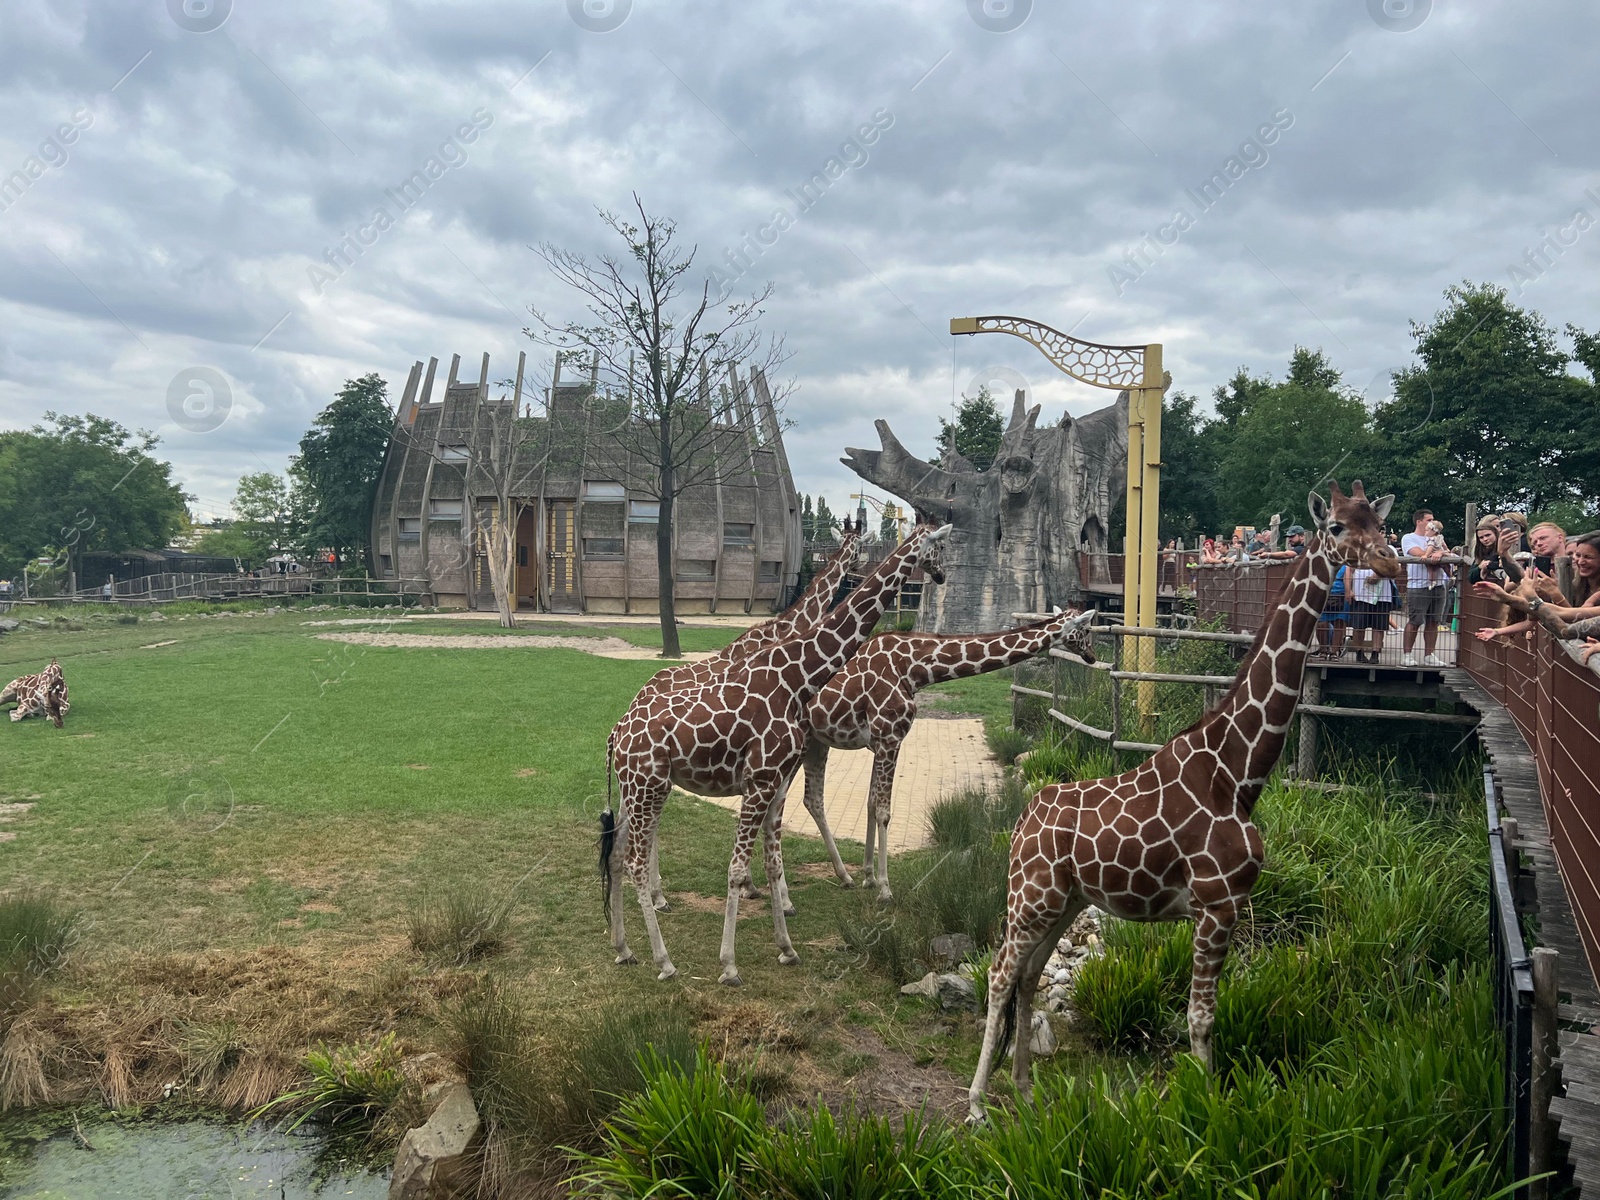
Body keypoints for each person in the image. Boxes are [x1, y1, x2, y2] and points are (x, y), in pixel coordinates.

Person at [1475, 533, 1600, 641]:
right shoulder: (1578, 582)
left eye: (1588, 557)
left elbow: (1568, 623)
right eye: (1577, 555)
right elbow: (1543, 613)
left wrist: (1548, 595)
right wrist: (1505, 597)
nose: (1580, 561)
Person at [1400, 508, 1448, 666]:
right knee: (1415, 620)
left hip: (1439, 584)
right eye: (1429, 520)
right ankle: (1407, 654)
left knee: (1434, 621)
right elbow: (1419, 553)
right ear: (1419, 521)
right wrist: (1437, 553)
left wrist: (1440, 554)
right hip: (1418, 585)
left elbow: (1446, 552)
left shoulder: (1438, 537)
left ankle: (1429, 655)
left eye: (1433, 519)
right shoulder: (1409, 538)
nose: (1432, 522)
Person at [1348, 561, 1396, 664]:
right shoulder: (1358, 549)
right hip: (1360, 594)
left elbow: (1395, 568)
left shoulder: (1389, 549)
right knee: (1358, 626)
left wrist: (1378, 574)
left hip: (1382, 595)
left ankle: (1375, 653)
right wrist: (1348, 589)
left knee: (1378, 627)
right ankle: (1359, 652)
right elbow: (1349, 569)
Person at [1315, 562, 1350, 659]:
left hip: (1341, 595)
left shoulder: (1346, 565)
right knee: (1321, 623)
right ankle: (1323, 650)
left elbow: (1348, 577)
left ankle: (1334, 652)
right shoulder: (1322, 563)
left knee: (1339, 623)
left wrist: (1348, 592)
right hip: (1324, 594)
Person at [1468, 514, 1504, 584]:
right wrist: (1480, 567)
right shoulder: (1481, 550)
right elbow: (1470, 577)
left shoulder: (1504, 546)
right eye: (1481, 537)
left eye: (1488, 535)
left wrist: (1487, 565)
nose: (1485, 539)